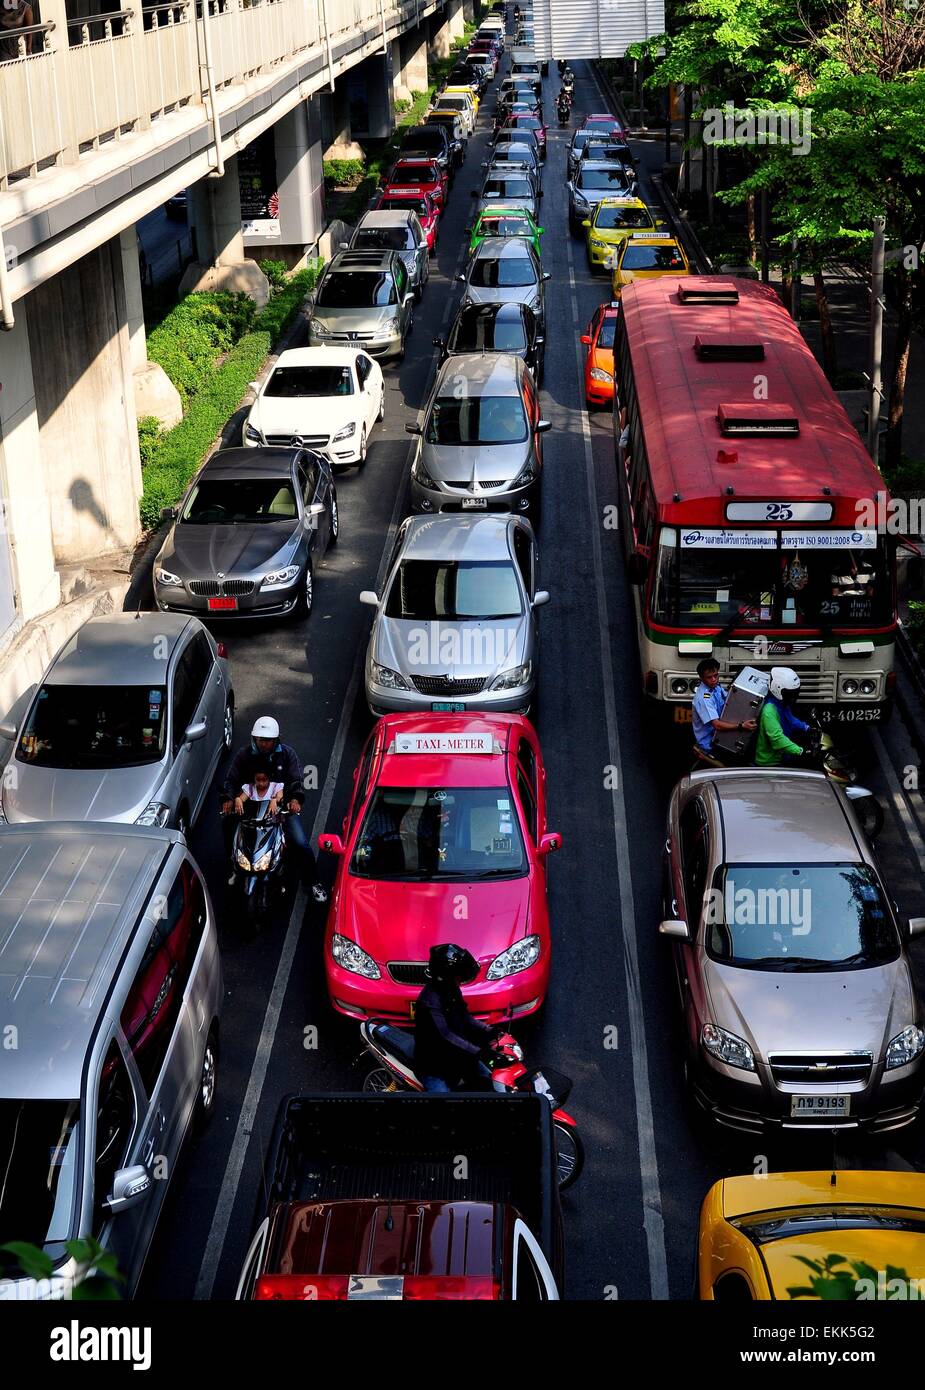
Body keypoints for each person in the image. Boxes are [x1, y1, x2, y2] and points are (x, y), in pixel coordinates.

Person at [221, 715, 327, 901]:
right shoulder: (244, 756)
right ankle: (234, 867)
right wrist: (229, 799)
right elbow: (231, 780)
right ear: (255, 739)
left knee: (300, 843)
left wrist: (294, 800)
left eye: (268, 740)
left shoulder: (287, 755)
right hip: (249, 811)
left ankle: (313, 882)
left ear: (276, 739)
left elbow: (296, 781)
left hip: (280, 809)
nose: (264, 744)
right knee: (227, 826)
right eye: (261, 740)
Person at [414, 944, 503, 1093]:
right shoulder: (430, 1002)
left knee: (489, 1080)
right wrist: (478, 1052)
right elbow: (446, 1035)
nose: (460, 980)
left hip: (456, 1057)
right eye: (458, 976)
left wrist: (489, 1031)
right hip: (434, 1067)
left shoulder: (451, 989)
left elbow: (465, 1017)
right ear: (447, 976)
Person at [691, 658, 756, 761]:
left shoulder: (716, 687)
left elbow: (728, 699)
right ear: (701, 678)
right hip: (711, 743)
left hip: (720, 734)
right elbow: (717, 725)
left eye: (716, 675)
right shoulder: (703, 698)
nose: (714, 680)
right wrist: (741, 726)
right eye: (709, 677)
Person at [754, 667, 810, 766]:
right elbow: (777, 739)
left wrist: (806, 728)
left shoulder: (781, 703)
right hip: (769, 763)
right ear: (778, 689)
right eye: (790, 694)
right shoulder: (769, 711)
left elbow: (791, 720)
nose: (793, 698)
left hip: (780, 757)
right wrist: (800, 751)